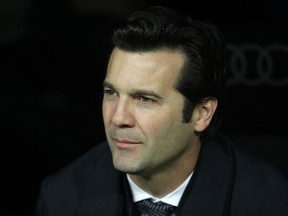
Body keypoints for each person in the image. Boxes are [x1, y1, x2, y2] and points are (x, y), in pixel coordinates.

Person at [35, 5, 288, 216]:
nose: (118, 118)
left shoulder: (270, 203)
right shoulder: (62, 196)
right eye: (111, 93)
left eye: (144, 99)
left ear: (202, 113)